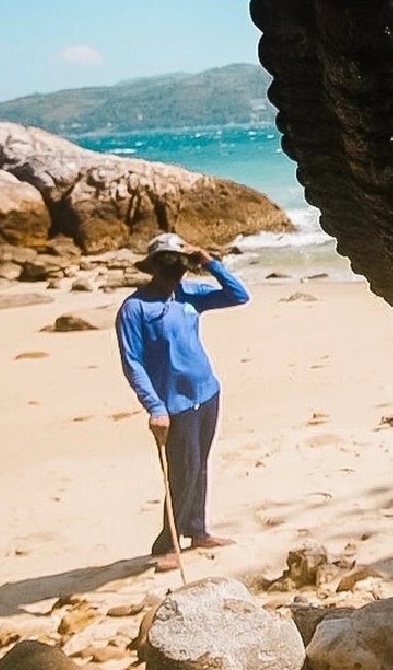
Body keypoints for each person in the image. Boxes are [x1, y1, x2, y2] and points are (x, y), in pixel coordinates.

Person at [116, 231, 250, 569]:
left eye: (179, 262)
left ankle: (197, 530)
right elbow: (132, 363)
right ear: (153, 266)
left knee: (199, 464)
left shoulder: (189, 295)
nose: (173, 269)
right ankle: (167, 544)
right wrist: (155, 407)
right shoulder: (134, 309)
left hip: (207, 394)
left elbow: (239, 296)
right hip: (173, 405)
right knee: (181, 472)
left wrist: (209, 262)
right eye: (166, 262)